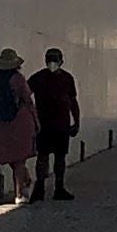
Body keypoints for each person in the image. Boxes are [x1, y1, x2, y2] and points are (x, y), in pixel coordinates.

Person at [27, 46, 80, 202]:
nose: (52, 62)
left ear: (61, 61)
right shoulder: (37, 78)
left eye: (55, 59)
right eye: (49, 59)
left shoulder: (67, 78)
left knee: (59, 157)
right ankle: (40, 187)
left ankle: (59, 187)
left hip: (61, 124)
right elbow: (25, 97)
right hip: (43, 124)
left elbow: (72, 101)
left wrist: (76, 122)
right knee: (43, 157)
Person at [0, 48, 37, 203]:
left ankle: (24, 182)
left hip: (1, 124)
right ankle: (20, 193)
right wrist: (36, 121)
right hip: (20, 121)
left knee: (10, 156)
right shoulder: (18, 79)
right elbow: (28, 101)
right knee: (20, 158)